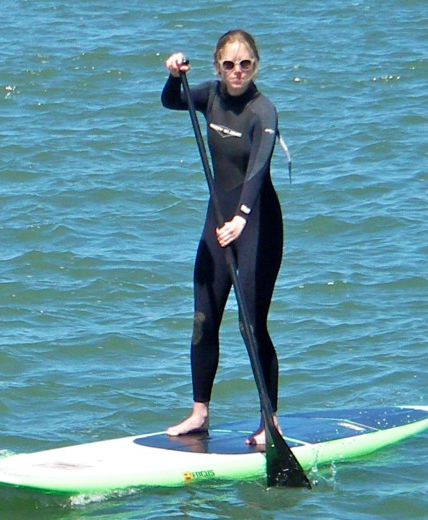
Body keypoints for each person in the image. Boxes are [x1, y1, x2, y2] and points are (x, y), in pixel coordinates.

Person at [161, 30, 284, 446]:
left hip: (258, 227)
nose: (237, 72)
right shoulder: (210, 96)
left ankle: (270, 421)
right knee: (203, 318)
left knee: (252, 326)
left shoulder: (263, 111)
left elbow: (259, 170)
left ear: (256, 66)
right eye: (229, 64)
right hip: (217, 222)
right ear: (218, 66)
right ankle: (199, 413)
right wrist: (173, 74)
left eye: (245, 64)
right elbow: (172, 100)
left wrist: (243, 217)